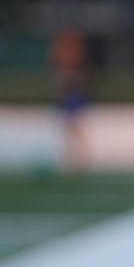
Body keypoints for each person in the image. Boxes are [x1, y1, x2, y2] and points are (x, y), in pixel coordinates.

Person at [51, 26, 94, 175]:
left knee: (74, 123)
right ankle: (71, 153)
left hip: (75, 95)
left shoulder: (77, 57)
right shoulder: (62, 57)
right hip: (67, 96)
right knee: (68, 124)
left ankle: (77, 153)